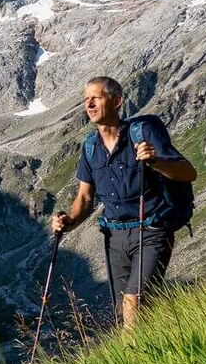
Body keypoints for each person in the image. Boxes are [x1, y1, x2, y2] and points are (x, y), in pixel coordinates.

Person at [49, 76, 197, 328]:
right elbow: (85, 198)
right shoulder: (90, 147)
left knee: (134, 303)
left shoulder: (143, 132)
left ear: (116, 101)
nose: (89, 104)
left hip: (151, 230)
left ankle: (134, 362)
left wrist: (155, 162)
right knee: (127, 312)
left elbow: (188, 172)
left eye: (96, 98)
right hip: (114, 237)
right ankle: (157, 352)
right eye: (86, 100)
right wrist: (68, 222)